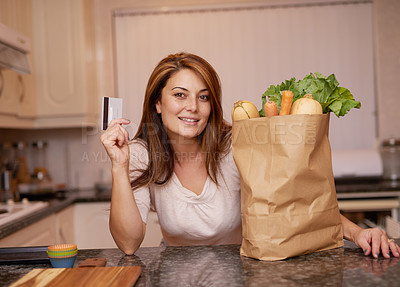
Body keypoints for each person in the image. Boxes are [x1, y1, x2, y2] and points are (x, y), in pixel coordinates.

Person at [101, 52, 400, 258]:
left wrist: (358, 234)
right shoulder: (140, 154)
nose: (193, 106)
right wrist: (119, 167)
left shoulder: (236, 144)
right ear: (157, 103)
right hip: (180, 275)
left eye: (203, 97)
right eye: (180, 95)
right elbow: (128, 243)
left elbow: (294, 204)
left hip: (247, 268)